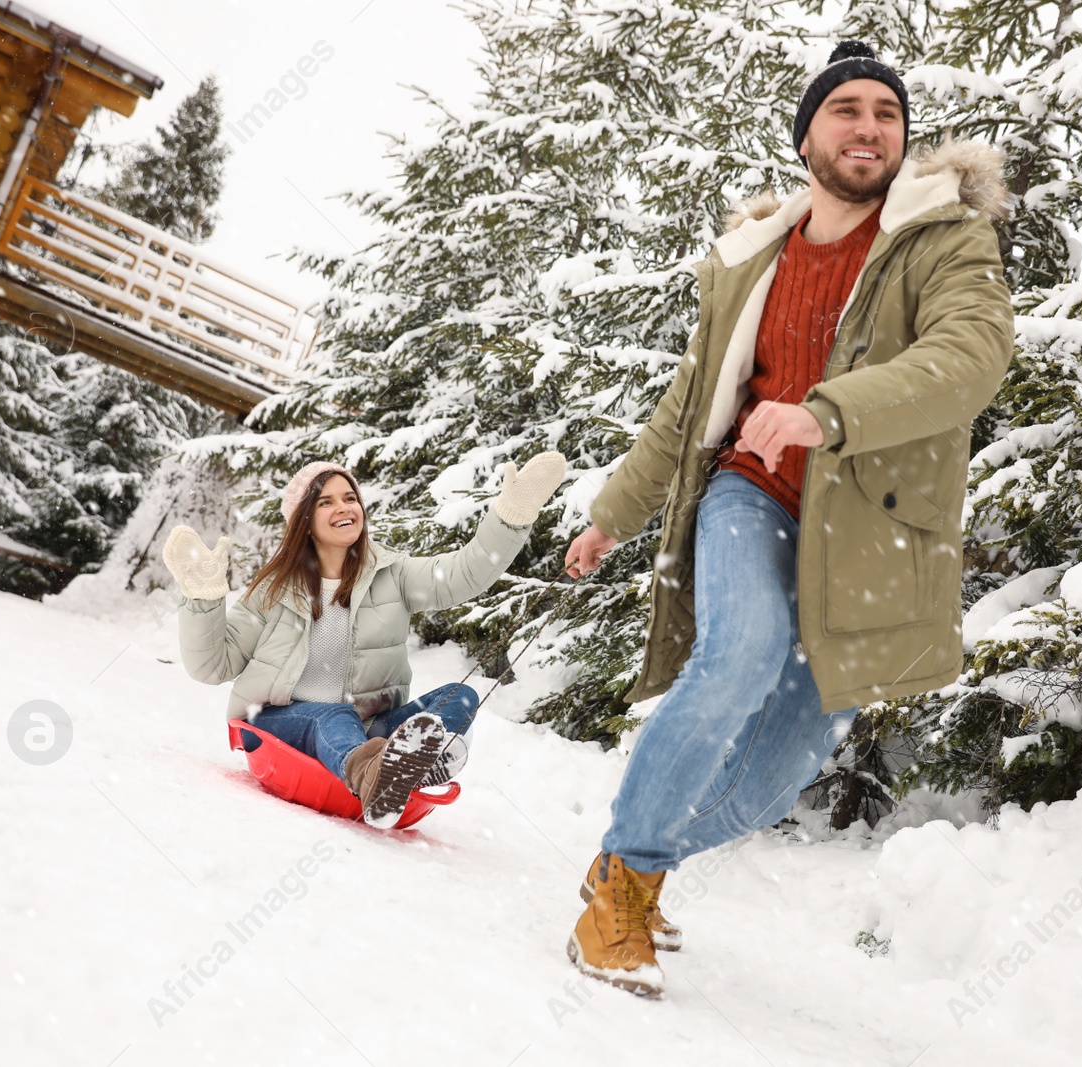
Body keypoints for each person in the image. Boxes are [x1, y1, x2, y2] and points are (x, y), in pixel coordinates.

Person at [560, 41, 1015, 996]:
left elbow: (972, 356)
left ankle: (635, 869)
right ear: (807, 133)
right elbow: (691, 407)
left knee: (779, 774)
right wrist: (613, 515)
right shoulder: (750, 258)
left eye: (886, 113)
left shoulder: (946, 241)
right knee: (741, 650)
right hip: (752, 490)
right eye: (846, 109)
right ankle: (623, 885)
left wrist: (830, 410)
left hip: (868, 532)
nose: (868, 127)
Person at [163, 453, 565, 827]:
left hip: (363, 728)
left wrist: (511, 516)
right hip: (276, 725)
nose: (344, 507)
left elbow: (465, 573)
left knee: (459, 699)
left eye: (350, 497)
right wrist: (204, 599)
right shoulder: (274, 590)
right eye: (326, 502)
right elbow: (212, 666)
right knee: (332, 714)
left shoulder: (393, 575)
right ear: (303, 520)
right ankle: (375, 778)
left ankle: (392, 770)